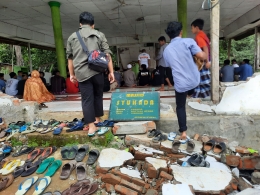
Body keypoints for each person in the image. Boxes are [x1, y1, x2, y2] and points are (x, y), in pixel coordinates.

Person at [66, 12, 115, 135]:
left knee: (87, 100)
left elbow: (70, 59)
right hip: (97, 71)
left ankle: (92, 126)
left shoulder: (72, 37)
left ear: (80, 24)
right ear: (93, 25)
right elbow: (107, 55)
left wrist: (71, 74)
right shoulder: (99, 35)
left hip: (82, 74)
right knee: (98, 95)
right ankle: (98, 119)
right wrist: (111, 72)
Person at [163, 21, 206, 141]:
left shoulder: (166, 50)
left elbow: (169, 65)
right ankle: (191, 93)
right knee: (190, 87)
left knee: (180, 107)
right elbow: (201, 56)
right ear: (180, 32)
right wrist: (205, 53)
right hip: (194, 80)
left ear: (169, 36)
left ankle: (183, 132)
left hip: (181, 84)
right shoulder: (189, 41)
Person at [191, 18, 211, 98]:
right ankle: (198, 95)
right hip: (203, 61)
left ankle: (207, 96)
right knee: (199, 80)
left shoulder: (199, 37)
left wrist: (207, 61)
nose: (191, 30)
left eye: (192, 27)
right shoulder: (203, 35)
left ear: (196, 27)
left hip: (202, 62)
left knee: (204, 81)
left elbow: (205, 48)